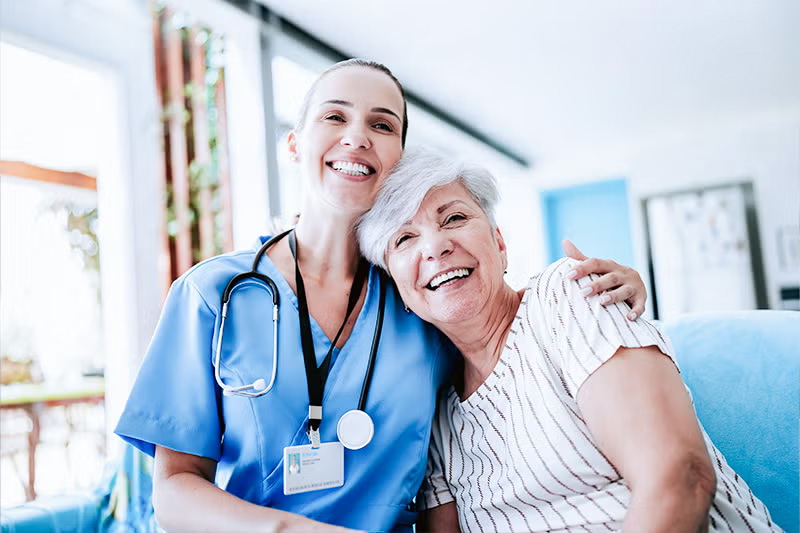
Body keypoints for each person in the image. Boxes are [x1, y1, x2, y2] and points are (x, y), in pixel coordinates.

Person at [115, 59, 650, 533]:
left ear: (397, 158)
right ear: (295, 144)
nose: (357, 136)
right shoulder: (213, 295)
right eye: (334, 116)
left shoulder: (419, 296)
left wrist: (597, 290)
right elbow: (175, 492)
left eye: (381, 124)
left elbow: (506, 323)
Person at [357, 148, 782, 533]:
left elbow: (679, 479)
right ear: (398, 288)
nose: (435, 247)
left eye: (454, 218)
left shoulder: (565, 296)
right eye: (404, 238)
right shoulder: (436, 415)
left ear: (499, 244)